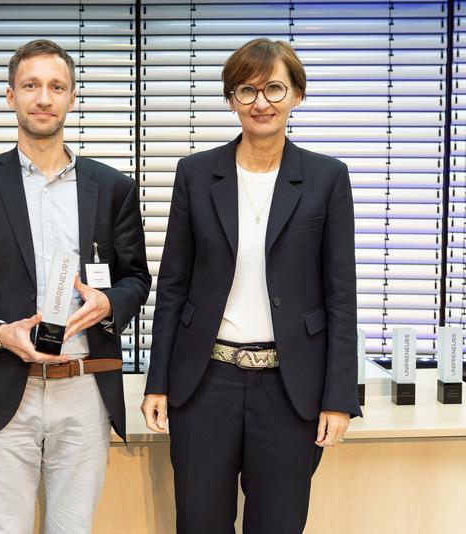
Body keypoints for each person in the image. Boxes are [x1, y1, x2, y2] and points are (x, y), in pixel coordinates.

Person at [141, 38, 362, 533]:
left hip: (291, 388)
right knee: (199, 522)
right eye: (247, 90)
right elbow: (173, 286)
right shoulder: (196, 175)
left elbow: (340, 295)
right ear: (230, 99)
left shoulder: (327, 178)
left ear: (297, 96)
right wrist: (158, 382)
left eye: (275, 89)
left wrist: (338, 396)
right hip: (205, 383)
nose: (261, 102)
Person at [0, 39, 150, 534]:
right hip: (8, 386)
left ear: (72, 97)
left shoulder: (112, 186)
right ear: (10, 96)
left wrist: (109, 302)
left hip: (84, 386)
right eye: (31, 86)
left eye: (56, 86)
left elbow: (136, 278)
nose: (44, 98)